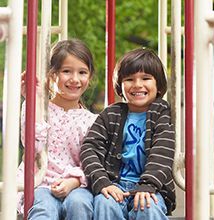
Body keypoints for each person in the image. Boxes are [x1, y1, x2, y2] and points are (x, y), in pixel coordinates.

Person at [79, 48, 176, 220]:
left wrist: (148, 184)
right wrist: (102, 181)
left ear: (158, 84)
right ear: (120, 85)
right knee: (104, 203)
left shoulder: (161, 113)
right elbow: (90, 147)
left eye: (146, 78)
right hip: (114, 185)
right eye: (129, 79)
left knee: (148, 207)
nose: (137, 84)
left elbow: (163, 151)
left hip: (150, 187)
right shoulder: (111, 114)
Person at [17, 38, 97, 220]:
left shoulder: (91, 121)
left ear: (90, 77)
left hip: (77, 185)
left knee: (80, 204)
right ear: (52, 75)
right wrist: (34, 99)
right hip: (41, 183)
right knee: (44, 208)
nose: (75, 79)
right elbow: (33, 147)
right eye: (66, 71)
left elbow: (94, 161)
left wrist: (74, 181)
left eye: (82, 72)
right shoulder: (39, 108)